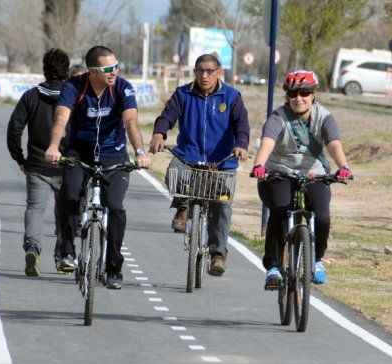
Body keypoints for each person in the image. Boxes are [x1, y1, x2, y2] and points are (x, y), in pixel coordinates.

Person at [45, 45, 150, 289]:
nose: (114, 72)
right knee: (69, 193)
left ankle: (113, 267)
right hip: (78, 152)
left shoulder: (122, 88)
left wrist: (140, 152)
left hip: (113, 156)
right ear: (92, 71)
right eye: (107, 69)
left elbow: (131, 122)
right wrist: (53, 147)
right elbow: (61, 118)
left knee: (115, 207)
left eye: (116, 66)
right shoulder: (74, 87)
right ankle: (67, 251)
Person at [149, 54, 249, 277]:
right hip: (189, 156)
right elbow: (167, 116)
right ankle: (183, 208)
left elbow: (242, 124)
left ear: (219, 72)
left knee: (221, 205)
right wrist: (159, 133)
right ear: (194, 72)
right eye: (200, 71)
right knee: (174, 172)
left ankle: (218, 254)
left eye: (210, 71)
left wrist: (241, 144)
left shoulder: (232, 97)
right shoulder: (183, 94)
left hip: (222, 162)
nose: (205, 75)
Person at [250, 70, 352, 288]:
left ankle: (316, 261)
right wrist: (259, 165)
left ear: (313, 94)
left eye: (305, 93)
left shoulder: (324, 117)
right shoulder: (278, 117)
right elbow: (267, 141)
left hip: (315, 173)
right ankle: (274, 267)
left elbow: (333, 144)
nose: (299, 98)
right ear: (287, 96)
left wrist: (343, 166)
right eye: (294, 93)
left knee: (322, 216)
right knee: (280, 210)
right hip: (279, 172)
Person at [7, 48, 70, 276]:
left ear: (44, 70)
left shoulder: (31, 96)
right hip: (68, 165)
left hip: (36, 164)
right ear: (67, 70)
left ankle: (33, 248)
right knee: (65, 212)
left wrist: (19, 158)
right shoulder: (72, 96)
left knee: (35, 208)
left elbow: (14, 128)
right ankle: (63, 255)